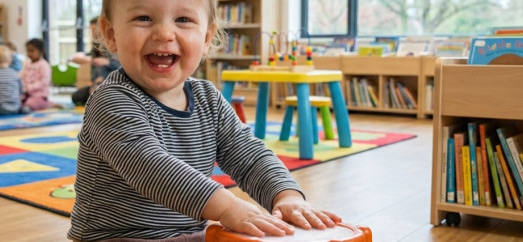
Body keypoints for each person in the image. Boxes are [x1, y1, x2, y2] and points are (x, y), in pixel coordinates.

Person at [68, 1, 342, 241]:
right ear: (110, 34)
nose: (164, 33)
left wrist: (286, 195)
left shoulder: (208, 98)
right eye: (144, 18)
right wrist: (227, 207)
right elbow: (150, 168)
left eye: (183, 20)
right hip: (117, 237)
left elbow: (248, 155)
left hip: (196, 234)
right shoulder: (111, 101)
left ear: (207, 37)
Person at [70, 16, 122, 106]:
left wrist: (108, 63)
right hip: (97, 84)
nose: (93, 33)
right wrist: (94, 83)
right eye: (91, 30)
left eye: (94, 29)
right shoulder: (96, 47)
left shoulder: (114, 44)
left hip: (113, 83)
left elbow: (121, 67)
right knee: (76, 96)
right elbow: (93, 65)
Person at [20, 38, 58, 111]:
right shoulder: (26, 64)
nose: (29, 54)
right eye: (28, 51)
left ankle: (47, 103)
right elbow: (21, 76)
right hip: (25, 94)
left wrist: (29, 87)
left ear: (41, 51)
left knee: (29, 105)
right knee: (15, 102)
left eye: (32, 51)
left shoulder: (44, 65)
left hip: (39, 96)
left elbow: (44, 82)